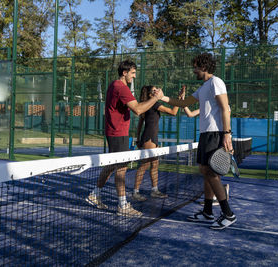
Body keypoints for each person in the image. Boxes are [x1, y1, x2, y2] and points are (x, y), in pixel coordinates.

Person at [161, 53, 236, 230]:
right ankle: (208, 211)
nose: (193, 69)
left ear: (203, 67)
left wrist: (227, 134)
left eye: (195, 66)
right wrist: (162, 97)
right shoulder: (203, 87)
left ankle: (228, 214)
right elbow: (183, 103)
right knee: (204, 170)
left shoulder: (216, 82)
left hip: (215, 133)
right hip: (205, 133)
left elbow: (225, 108)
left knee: (210, 172)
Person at [85, 59, 164, 217]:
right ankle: (122, 205)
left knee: (112, 165)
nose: (134, 77)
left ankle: (94, 194)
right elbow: (138, 110)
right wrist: (156, 98)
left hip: (116, 132)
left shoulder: (115, 85)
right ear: (124, 73)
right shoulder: (121, 87)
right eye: (133, 73)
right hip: (117, 133)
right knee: (121, 168)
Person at [132, 85, 185, 202]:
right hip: (149, 138)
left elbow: (141, 122)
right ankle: (135, 192)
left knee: (155, 164)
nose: (158, 91)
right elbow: (173, 112)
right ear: (151, 95)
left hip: (151, 138)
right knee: (144, 165)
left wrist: (138, 138)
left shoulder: (146, 104)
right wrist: (179, 99)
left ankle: (154, 190)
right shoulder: (154, 104)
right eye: (155, 90)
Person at [183, 104, 230, 206]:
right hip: (205, 137)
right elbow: (190, 114)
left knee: (212, 171)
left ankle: (218, 199)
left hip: (216, 137)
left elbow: (227, 121)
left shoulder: (224, 106)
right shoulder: (205, 106)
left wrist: (227, 138)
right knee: (207, 171)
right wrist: (183, 102)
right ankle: (216, 197)